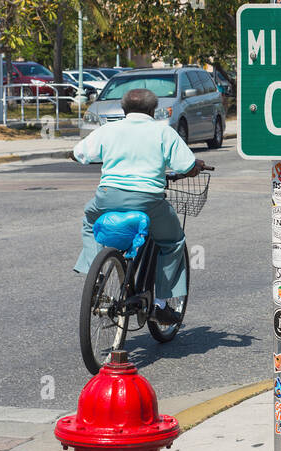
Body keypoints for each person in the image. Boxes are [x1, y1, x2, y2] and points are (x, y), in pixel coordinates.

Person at [71, 87, 204, 324]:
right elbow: (185, 165)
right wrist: (195, 167)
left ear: (123, 109)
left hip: (107, 197)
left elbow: (79, 153)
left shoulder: (108, 130)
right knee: (173, 242)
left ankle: (96, 275)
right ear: (154, 110)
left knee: (90, 222)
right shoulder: (163, 132)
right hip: (147, 200)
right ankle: (160, 304)